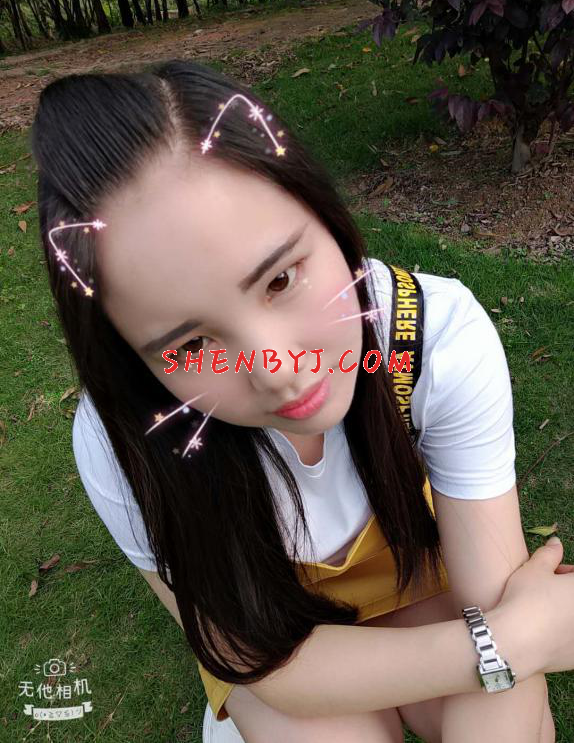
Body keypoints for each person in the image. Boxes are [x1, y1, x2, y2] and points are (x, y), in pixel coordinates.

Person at [30, 59, 574, 743]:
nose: (280, 371)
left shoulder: (433, 337)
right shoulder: (123, 440)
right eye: (193, 345)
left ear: (325, 214)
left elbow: (490, 596)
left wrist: (499, 642)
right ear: (130, 359)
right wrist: (513, 643)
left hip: (423, 586)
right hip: (281, 636)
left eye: (282, 279)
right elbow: (260, 661)